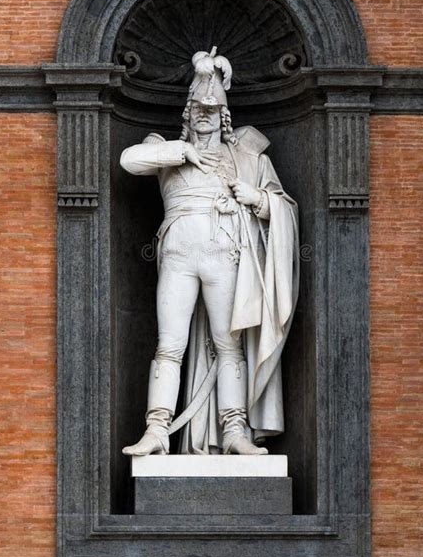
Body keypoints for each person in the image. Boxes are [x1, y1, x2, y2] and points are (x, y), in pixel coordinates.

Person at [120, 48, 299, 456]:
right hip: (179, 256)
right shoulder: (166, 151)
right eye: (198, 107)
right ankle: (157, 429)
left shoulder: (246, 157)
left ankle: (235, 431)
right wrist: (180, 151)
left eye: (212, 108)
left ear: (223, 114)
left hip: (225, 254)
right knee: (169, 344)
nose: (205, 113)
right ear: (187, 113)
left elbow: (284, 206)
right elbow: (129, 159)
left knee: (228, 344)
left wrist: (256, 198)